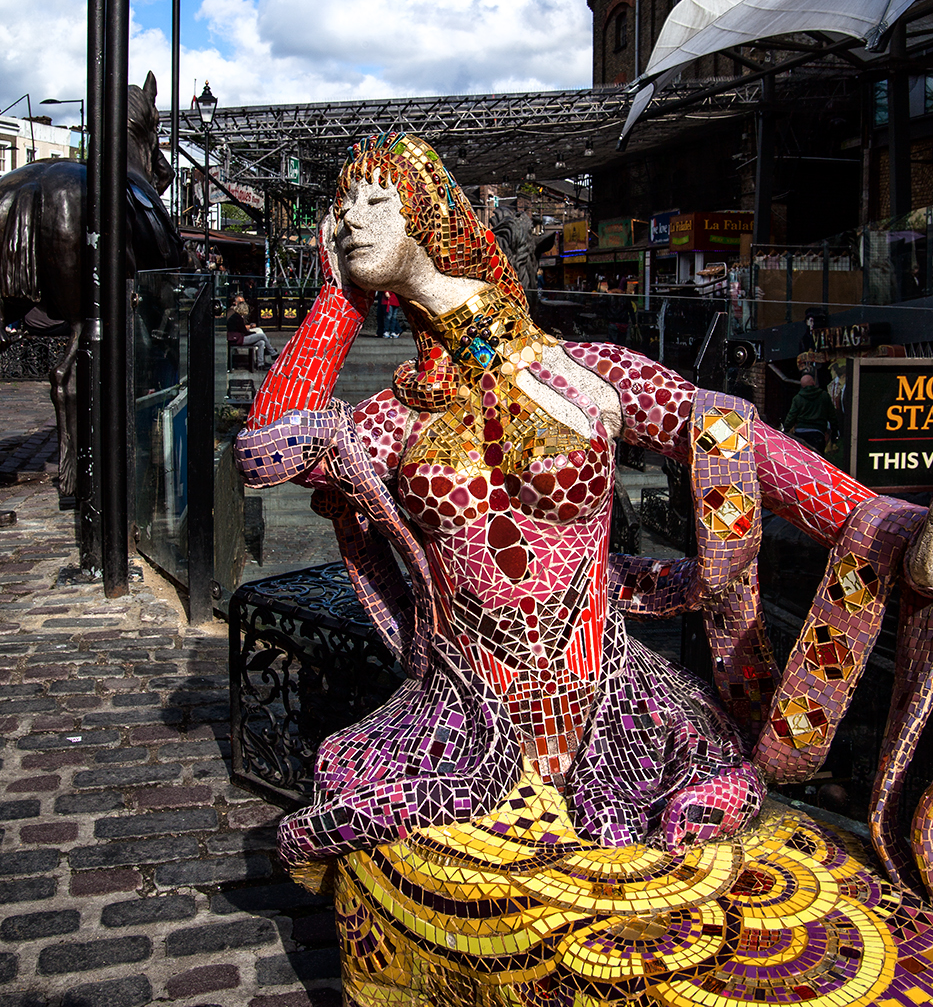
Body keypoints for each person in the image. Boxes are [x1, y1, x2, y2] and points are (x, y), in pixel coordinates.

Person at [235, 134, 933, 1005]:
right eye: (338, 210)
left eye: (376, 201)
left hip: (618, 711)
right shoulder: (389, 420)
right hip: (457, 716)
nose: (348, 222)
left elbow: (737, 442)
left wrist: (892, 526)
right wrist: (336, 300)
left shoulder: (587, 375)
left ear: (434, 216)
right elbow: (267, 454)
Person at [784, 372, 839, 455]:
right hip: (818, 433)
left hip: (800, 434)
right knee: (817, 458)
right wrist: (835, 432)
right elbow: (832, 416)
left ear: (802, 386)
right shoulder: (824, 396)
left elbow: (791, 416)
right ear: (813, 383)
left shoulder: (798, 398)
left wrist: (785, 429)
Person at [226, 293, 277, 368]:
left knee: (261, 342)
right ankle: (273, 353)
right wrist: (254, 333)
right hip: (238, 339)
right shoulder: (238, 318)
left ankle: (260, 364)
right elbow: (244, 332)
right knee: (262, 336)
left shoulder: (237, 316)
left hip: (238, 338)